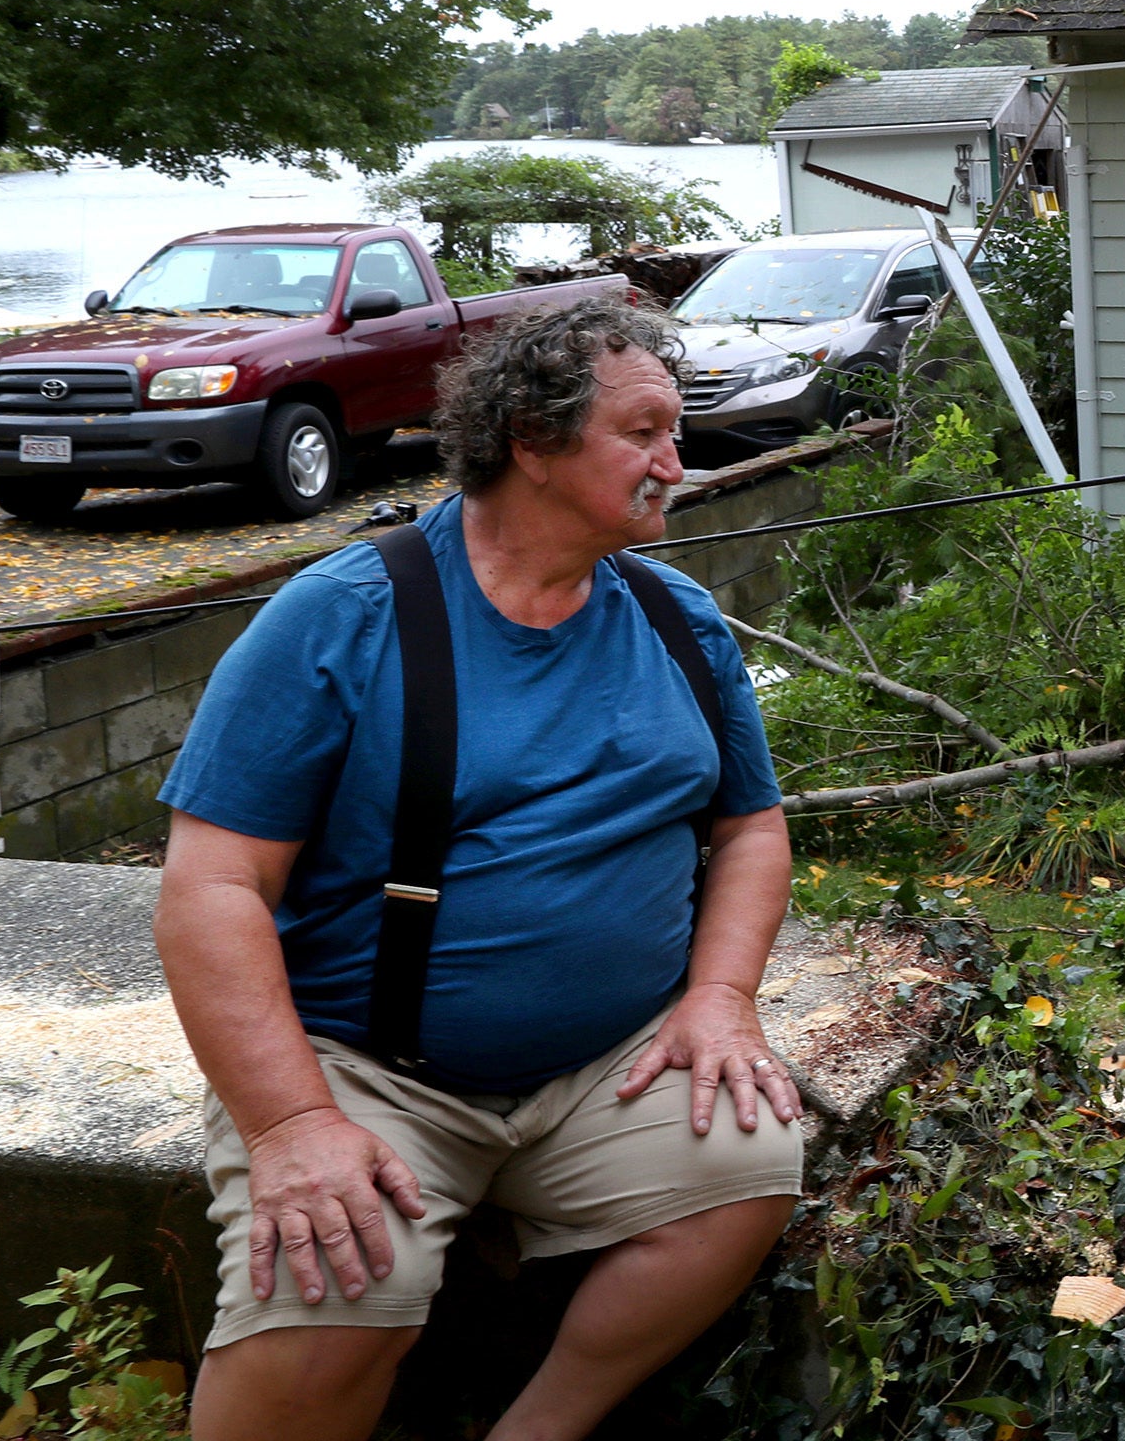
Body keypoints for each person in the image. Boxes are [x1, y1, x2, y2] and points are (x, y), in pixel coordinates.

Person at [153, 298, 803, 1441]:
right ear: (531, 440)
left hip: (609, 1067)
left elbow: (750, 827)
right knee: (337, 1290)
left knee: (747, 1165)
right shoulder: (342, 617)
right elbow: (210, 889)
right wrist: (291, 1122)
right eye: (645, 432)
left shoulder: (676, 616)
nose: (676, 461)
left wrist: (721, 996)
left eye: (674, 433)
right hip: (367, 1068)